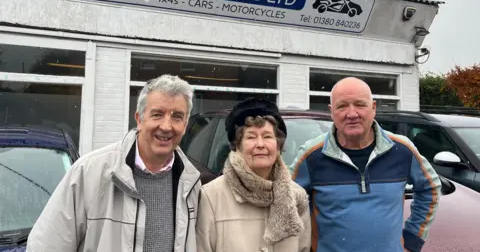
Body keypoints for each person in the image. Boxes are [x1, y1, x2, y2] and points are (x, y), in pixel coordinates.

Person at [27, 74, 201, 252]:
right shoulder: (89, 172)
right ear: (139, 119)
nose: (166, 126)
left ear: (185, 125)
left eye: (177, 117)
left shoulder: (191, 183)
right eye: (157, 114)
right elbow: (45, 246)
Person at [291, 77, 441, 252]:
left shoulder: (402, 150)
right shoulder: (311, 156)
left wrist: (412, 239)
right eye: (342, 106)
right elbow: (288, 203)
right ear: (332, 112)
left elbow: (431, 188)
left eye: (360, 104)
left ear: (374, 108)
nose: (352, 113)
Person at [196, 98, 311, 252]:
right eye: (251, 137)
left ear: (278, 145)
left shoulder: (297, 197)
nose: (260, 144)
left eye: (267, 136)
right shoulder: (211, 196)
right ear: (237, 145)